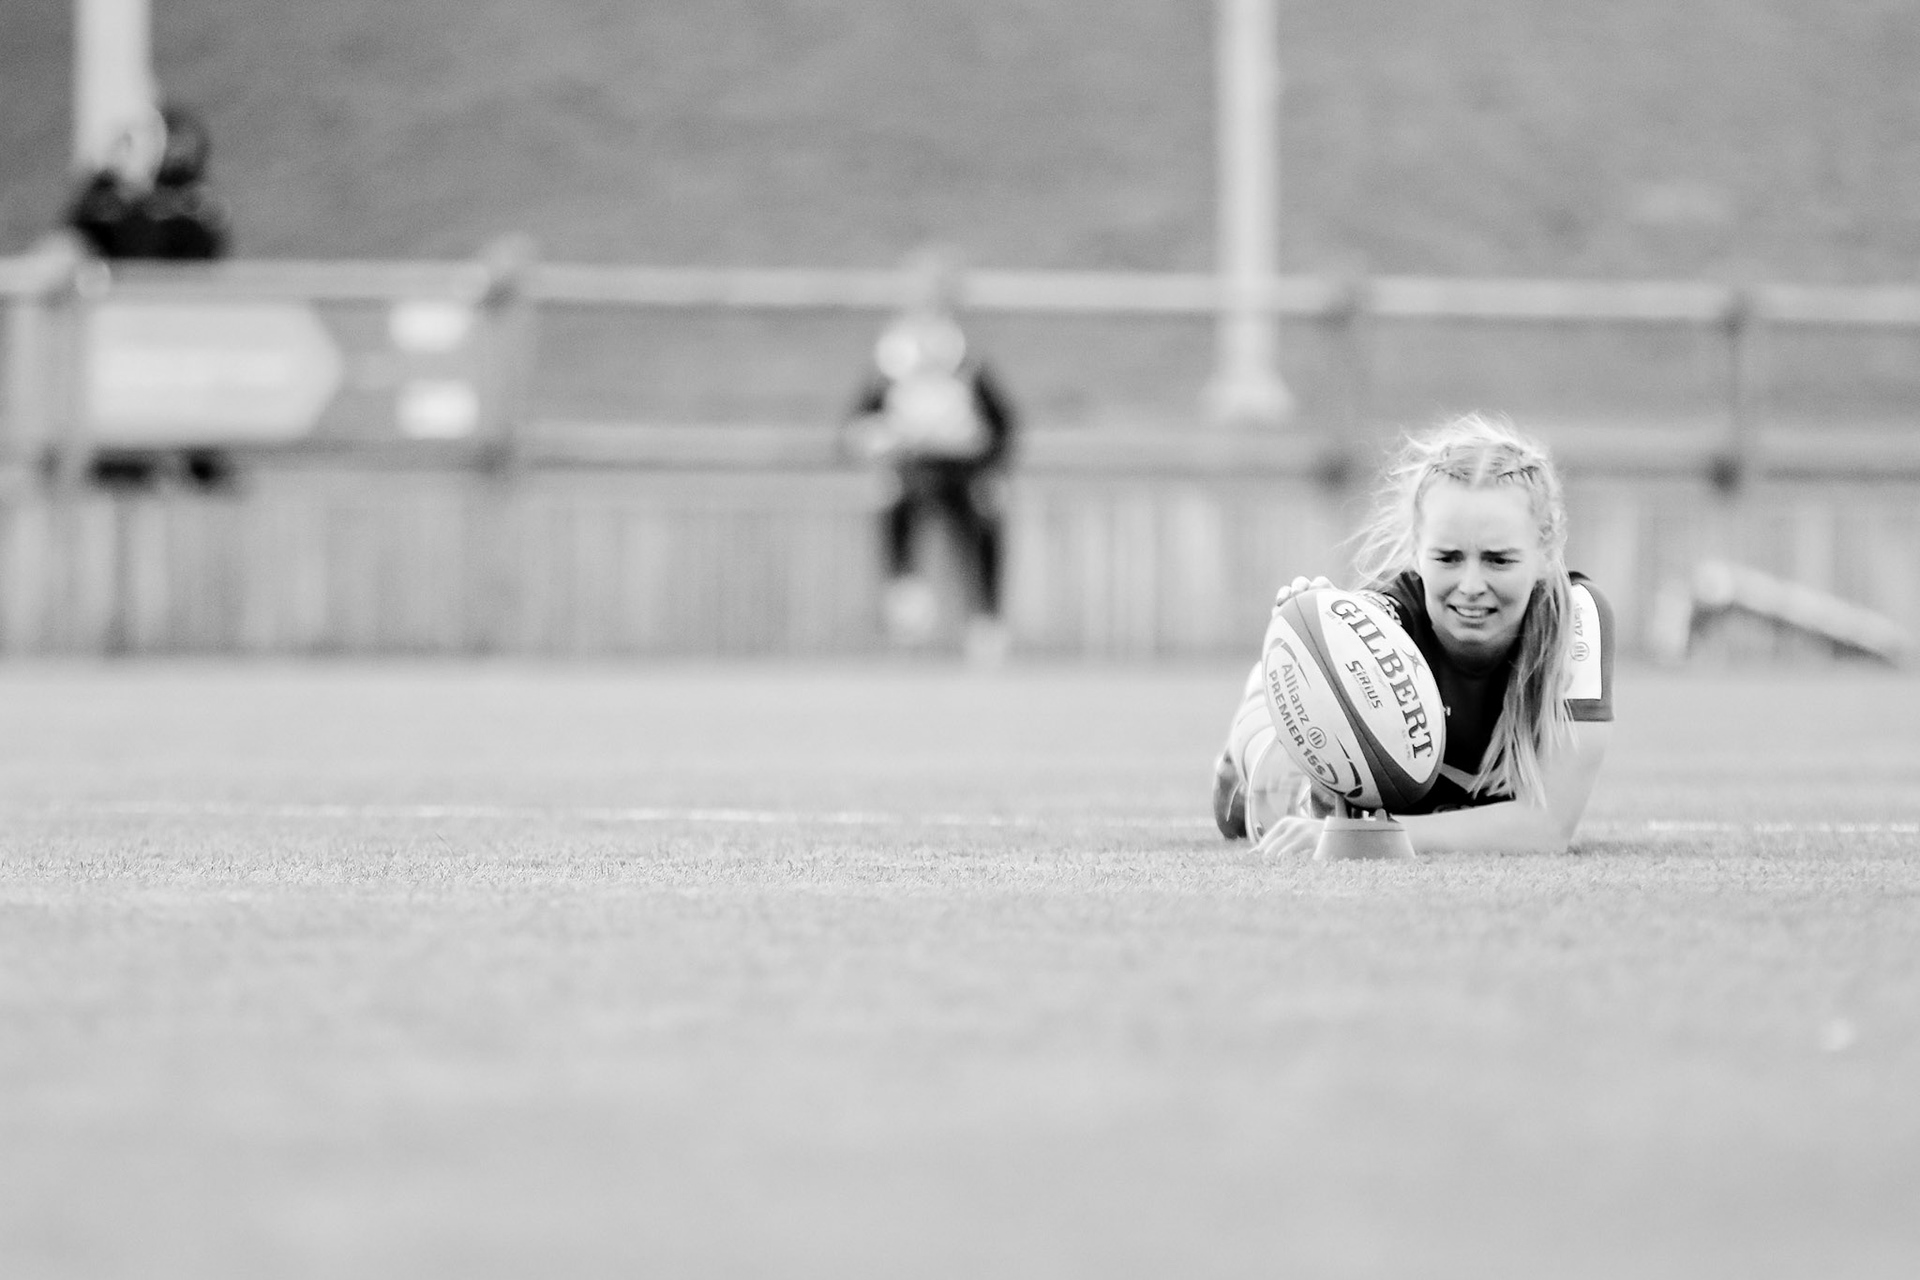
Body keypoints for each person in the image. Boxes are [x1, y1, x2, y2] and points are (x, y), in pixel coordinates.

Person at [1212, 413, 1616, 855]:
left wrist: (1377, 838)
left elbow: (1544, 829)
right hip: (1301, 768)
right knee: (1277, 813)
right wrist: (1309, 632)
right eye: (1448, 558)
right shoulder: (1387, 619)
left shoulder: (1575, 618)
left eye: (1499, 560)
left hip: (1439, 802)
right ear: (1417, 551)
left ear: (1546, 553)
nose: (1471, 585)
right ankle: (1254, 732)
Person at [843, 246, 1019, 664]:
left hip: (964, 467)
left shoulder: (968, 356)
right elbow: (859, 421)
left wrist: (994, 467)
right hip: (911, 466)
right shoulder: (892, 358)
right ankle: (905, 590)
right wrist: (872, 442)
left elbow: (1002, 421)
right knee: (893, 497)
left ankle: (986, 620)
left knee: (984, 522)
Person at [65, 102, 232, 262]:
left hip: (170, 279)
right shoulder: (104, 189)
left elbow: (208, 242)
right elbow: (75, 232)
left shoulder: (186, 190)